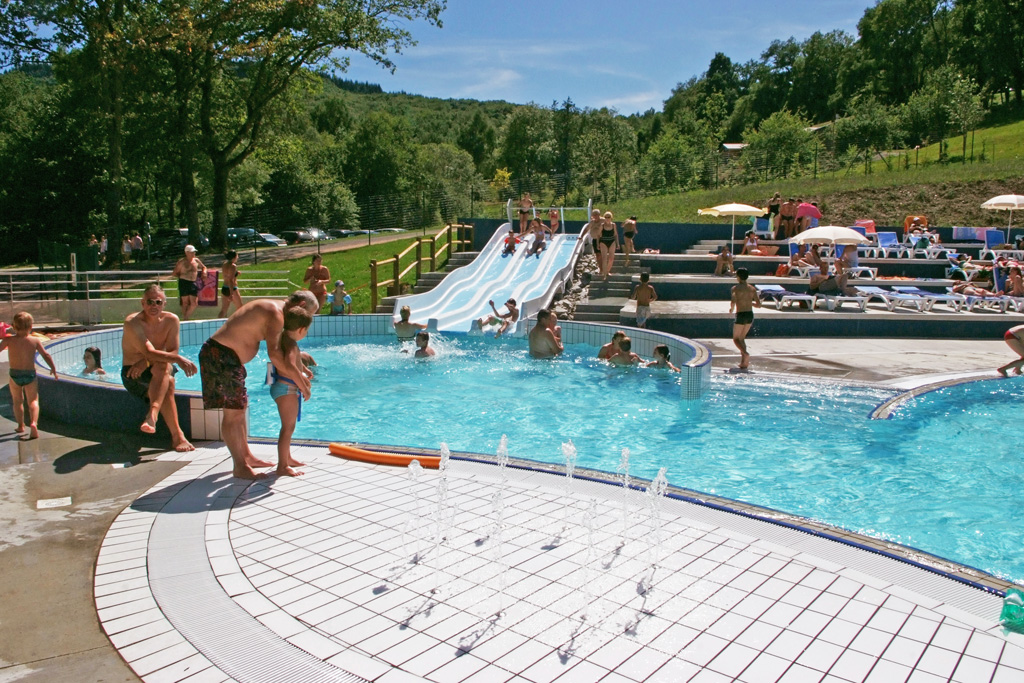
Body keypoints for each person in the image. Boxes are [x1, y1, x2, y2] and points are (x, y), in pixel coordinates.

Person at [199, 290, 318, 479]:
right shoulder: (275, 313)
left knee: (240, 407)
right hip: (220, 356)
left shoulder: (276, 310)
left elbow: (282, 352)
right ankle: (240, 466)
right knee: (233, 412)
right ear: (302, 306)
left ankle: (246, 456)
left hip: (227, 357)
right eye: (308, 315)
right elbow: (275, 355)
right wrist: (301, 383)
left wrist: (299, 371)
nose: (303, 321)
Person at [121, 284, 197, 450]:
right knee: (168, 380)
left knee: (163, 368)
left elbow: (171, 350)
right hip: (133, 374)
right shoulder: (133, 323)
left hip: (155, 366)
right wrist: (176, 359)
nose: (154, 306)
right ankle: (177, 436)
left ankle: (153, 415)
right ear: (142, 303)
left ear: (164, 304)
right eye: (150, 302)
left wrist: (147, 361)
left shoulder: (171, 320)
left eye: (158, 302)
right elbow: (155, 352)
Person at [268, 305, 315, 477]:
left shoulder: (285, 340)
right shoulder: (291, 344)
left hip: (283, 387)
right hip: (287, 388)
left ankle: (287, 458)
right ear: (301, 329)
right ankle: (282, 466)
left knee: (289, 427)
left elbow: (295, 361)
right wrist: (304, 387)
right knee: (287, 428)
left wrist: (306, 370)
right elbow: (289, 365)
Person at [1, 312, 58, 439]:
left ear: (13, 327)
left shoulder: (8, 340)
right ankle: (33, 423)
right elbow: (46, 355)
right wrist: (53, 368)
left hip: (15, 374)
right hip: (30, 374)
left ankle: (21, 425)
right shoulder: (35, 340)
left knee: (17, 401)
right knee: (33, 400)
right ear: (31, 327)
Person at [730, 268, 761, 369]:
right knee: (742, 338)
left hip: (741, 314)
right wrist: (749, 302)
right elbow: (758, 304)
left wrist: (731, 309)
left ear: (738, 277)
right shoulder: (752, 288)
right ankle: (744, 362)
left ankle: (745, 354)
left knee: (735, 339)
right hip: (749, 314)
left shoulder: (735, 288)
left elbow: (733, 300)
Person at [172, 244, 206, 321]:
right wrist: (183, 276)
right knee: (185, 303)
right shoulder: (182, 262)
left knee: (194, 303)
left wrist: (204, 272)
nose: (194, 254)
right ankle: (185, 319)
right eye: (192, 252)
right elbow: (175, 272)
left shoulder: (196, 260)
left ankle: (186, 317)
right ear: (187, 252)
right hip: (184, 282)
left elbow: (203, 267)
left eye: (194, 252)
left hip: (193, 282)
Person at [219, 250, 242, 317]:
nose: (237, 257)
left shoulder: (225, 264)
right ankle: (239, 324)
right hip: (232, 288)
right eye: (237, 256)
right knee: (240, 308)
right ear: (234, 257)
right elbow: (231, 280)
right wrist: (231, 293)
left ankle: (217, 323)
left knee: (224, 310)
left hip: (225, 287)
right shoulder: (233, 266)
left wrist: (237, 273)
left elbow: (227, 275)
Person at [598, 211, 619, 279]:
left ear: (611, 218)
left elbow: (615, 234)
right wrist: (598, 244)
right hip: (603, 241)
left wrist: (617, 243)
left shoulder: (613, 225)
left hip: (611, 240)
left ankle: (607, 271)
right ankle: (604, 274)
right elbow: (598, 235)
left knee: (611, 258)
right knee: (604, 258)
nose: (607, 218)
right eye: (606, 217)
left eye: (608, 217)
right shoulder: (602, 225)